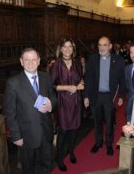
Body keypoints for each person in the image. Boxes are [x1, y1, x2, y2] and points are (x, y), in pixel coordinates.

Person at [4, 48, 56, 174]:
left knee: (46, 164)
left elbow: (54, 98)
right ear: (21, 62)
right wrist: (16, 136)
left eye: (34, 59)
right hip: (26, 135)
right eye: (26, 60)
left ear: (38, 61)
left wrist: (51, 105)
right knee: (28, 168)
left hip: (45, 131)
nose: (30, 62)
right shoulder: (13, 83)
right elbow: (10, 112)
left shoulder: (46, 77)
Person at [84, 36, 125, 156]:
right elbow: (88, 79)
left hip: (109, 97)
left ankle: (108, 144)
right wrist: (86, 96)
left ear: (110, 46)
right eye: (99, 45)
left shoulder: (118, 60)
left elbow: (122, 80)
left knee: (109, 122)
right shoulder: (92, 59)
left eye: (105, 45)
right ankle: (98, 142)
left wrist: (121, 95)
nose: (102, 47)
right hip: (95, 96)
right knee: (96, 122)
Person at [50, 39, 84, 171]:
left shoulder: (77, 63)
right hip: (63, 101)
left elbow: (80, 79)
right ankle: (58, 157)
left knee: (75, 129)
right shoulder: (56, 65)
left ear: (73, 49)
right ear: (61, 49)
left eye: (70, 47)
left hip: (76, 100)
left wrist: (81, 85)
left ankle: (71, 151)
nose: (67, 49)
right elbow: (51, 86)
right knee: (63, 131)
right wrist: (67, 87)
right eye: (65, 47)